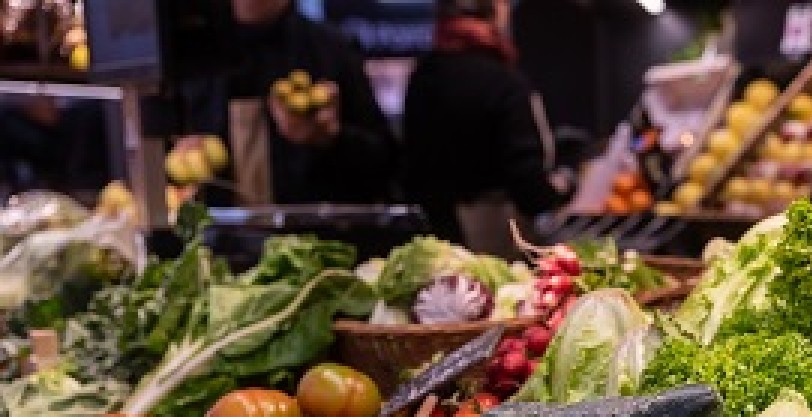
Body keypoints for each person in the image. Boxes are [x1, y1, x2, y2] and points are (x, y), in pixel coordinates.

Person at [177, 0, 397, 204]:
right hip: (214, 229)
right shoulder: (185, 52)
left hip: (313, 229)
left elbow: (386, 165)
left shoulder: (331, 48)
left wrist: (330, 138)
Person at [402, 0, 572, 253]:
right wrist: (563, 187)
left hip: (433, 239)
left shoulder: (424, 75)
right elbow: (527, 183)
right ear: (495, 11)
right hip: (492, 240)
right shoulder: (504, 82)